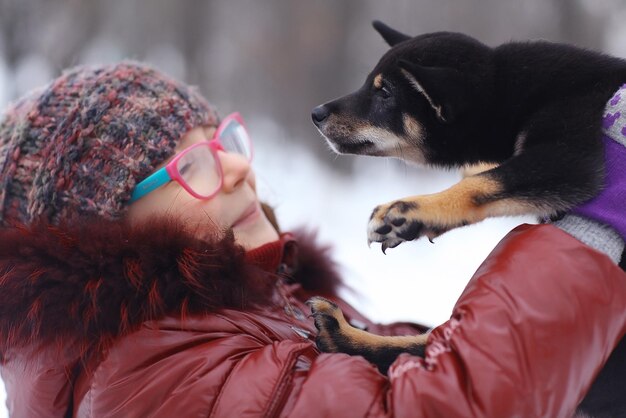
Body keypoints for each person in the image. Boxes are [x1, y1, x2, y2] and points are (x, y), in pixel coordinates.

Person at [0, 61, 624, 418]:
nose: (240, 168)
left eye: (225, 142)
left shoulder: (253, 309)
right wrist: (590, 227)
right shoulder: (153, 385)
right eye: (193, 166)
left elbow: (411, 368)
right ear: (103, 237)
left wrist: (582, 367)